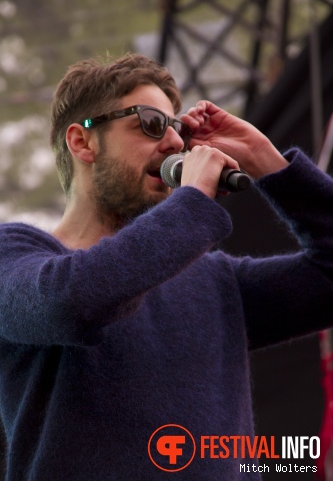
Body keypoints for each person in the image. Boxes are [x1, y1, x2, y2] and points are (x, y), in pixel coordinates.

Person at [0, 52, 332, 481]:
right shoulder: (16, 254)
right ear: (83, 142)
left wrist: (268, 162)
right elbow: (72, 303)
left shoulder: (213, 279)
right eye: (151, 124)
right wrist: (192, 204)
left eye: (177, 128)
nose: (176, 143)